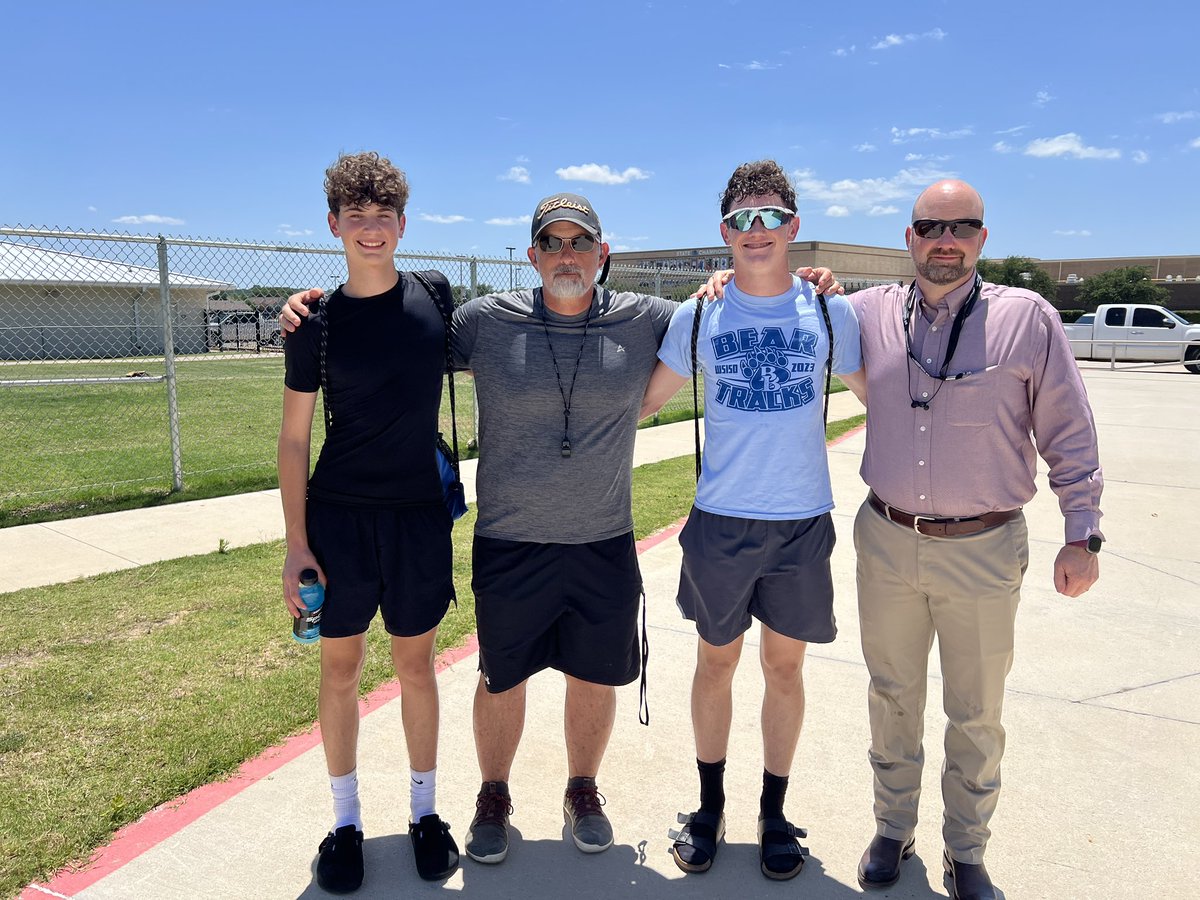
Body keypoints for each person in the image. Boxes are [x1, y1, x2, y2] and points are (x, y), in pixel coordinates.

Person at [281, 190, 843, 866]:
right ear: (532, 257)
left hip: (602, 537)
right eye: (553, 243)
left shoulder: (647, 317)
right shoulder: (482, 321)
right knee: (500, 678)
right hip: (509, 538)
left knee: (594, 676)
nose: (567, 254)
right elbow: (395, 327)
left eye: (581, 242)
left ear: (603, 255)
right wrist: (309, 312)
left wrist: (781, 280)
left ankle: (583, 789)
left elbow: (724, 308)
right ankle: (493, 795)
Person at [848, 179, 1103, 900]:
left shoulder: (1027, 320)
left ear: (983, 238)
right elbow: (789, 297)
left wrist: (1082, 530)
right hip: (888, 538)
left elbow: (1069, 428)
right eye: (930, 226)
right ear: (909, 238)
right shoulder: (868, 313)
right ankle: (892, 828)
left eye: (962, 227)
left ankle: (966, 850)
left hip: (985, 547)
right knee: (891, 695)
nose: (945, 240)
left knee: (976, 710)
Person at [640, 160, 865, 881]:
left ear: (793, 227)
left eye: (770, 217)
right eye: (742, 219)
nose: (757, 230)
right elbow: (643, 400)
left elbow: (884, 389)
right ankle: (709, 809)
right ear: (724, 233)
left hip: (802, 521)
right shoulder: (699, 313)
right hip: (720, 522)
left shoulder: (831, 312)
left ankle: (773, 812)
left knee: (785, 667)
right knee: (716, 662)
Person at [278, 151, 459, 893]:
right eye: (356, 217)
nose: (371, 228)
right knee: (341, 670)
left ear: (403, 224)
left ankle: (424, 813)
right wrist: (296, 546)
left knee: (416, 667)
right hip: (341, 521)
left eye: (383, 216)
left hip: (418, 515)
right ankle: (345, 823)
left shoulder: (436, 295)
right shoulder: (312, 321)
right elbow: (293, 440)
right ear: (334, 226)